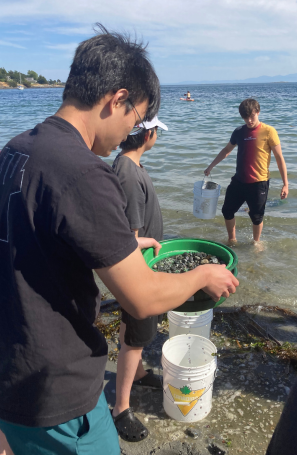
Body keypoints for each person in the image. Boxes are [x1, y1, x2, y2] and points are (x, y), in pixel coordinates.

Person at [0, 24, 238, 455]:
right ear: (118, 99)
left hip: (12, 372)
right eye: (136, 116)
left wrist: (121, 251)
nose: (132, 128)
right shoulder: (83, 172)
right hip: (56, 390)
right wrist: (203, 272)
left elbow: (33, 244)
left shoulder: (18, 148)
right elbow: (143, 300)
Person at [111, 116, 168, 442]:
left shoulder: (127, 165)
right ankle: (121, 407)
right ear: (148, 134)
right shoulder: (130, 175)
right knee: (136, 336)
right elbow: (125, 240)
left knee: (131, 330)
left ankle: (139, 374)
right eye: (156, 130)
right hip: (138, 274)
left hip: (143, 269)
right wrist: (149, 242)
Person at [204, 98, 288, 245]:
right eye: (245, 117)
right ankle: (232, 239)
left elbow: (279, 158)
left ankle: (256, 243)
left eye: (252, 116)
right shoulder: (238, 132)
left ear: (258, 112)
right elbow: (226, 150)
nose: (249, 120)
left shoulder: (269, 131)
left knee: (256, 217)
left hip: (259, 183)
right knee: (227, 211)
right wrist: (211, 166)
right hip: (239, 181)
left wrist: (285, 184)